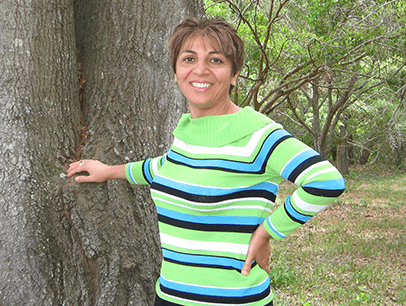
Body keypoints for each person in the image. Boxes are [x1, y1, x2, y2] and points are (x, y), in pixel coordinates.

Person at [67, 17, 345, 306]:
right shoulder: (186, 131)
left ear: (234, 74)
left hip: (234, 300)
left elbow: (326, 182)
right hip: (170, 296)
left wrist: (266, 233)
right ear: (175, 71)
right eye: (189, 58)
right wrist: (107, 171)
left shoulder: (258, 134)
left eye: (215, 60)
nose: (200, 70)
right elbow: (165, 169)